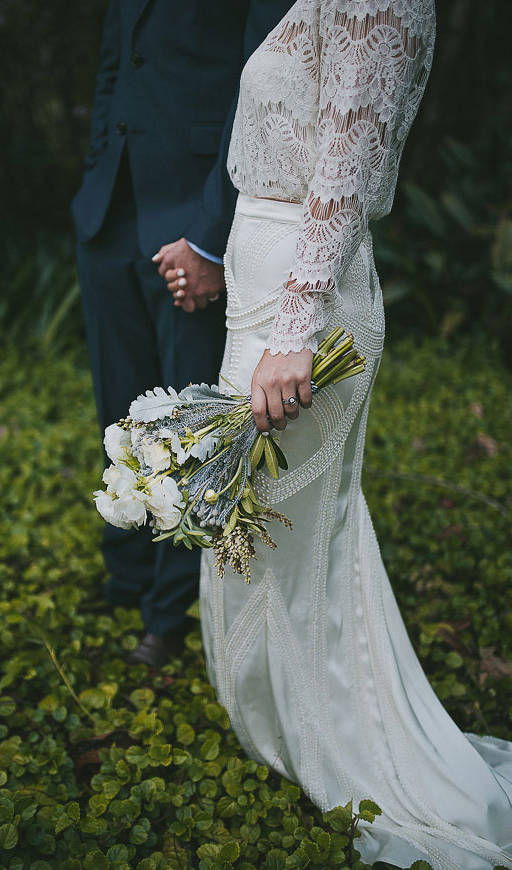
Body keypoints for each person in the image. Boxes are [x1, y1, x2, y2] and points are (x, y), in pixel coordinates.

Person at [169, 1, 512, 867]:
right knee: (259, 525)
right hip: (262, 278)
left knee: (295, 531)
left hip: (300, 299)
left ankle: (341, 753)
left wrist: (295, 330)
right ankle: (279, 726)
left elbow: (344, 162)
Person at [72, 0, 291, 666]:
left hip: (193, 208)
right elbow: (118, 61)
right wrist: (97, 168)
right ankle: (128, 572)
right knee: (117, 400)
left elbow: (263, 82)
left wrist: (210, 235)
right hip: (111, 206)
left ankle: (170, 610)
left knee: (184, 417)